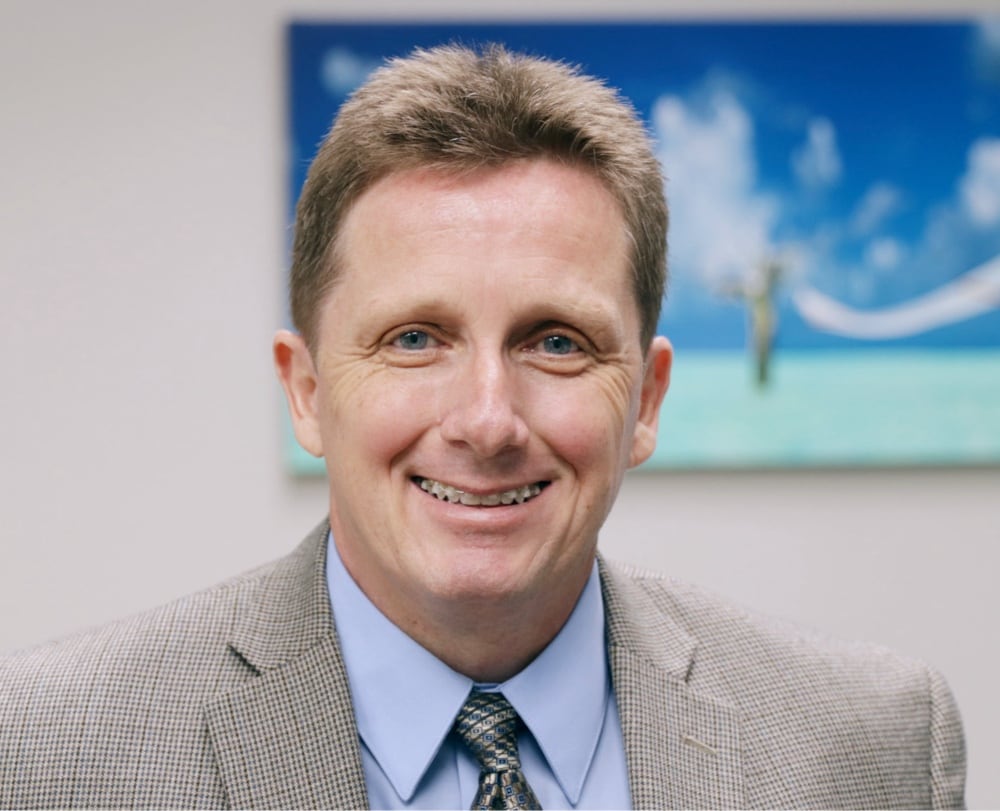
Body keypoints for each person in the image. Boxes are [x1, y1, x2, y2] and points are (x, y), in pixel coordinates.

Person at [0, 44, 964, 810]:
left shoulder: (872, 747)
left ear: (648, 401)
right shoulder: (47, 757)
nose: (488, 420)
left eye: (556, 342)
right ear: (305, 391)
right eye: (415, 338)